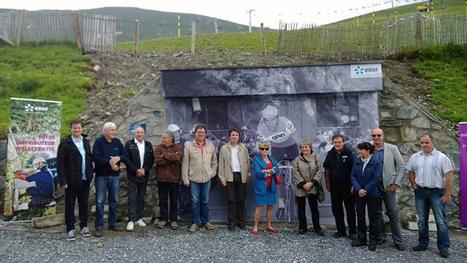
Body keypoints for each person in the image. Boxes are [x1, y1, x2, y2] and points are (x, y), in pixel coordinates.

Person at [407, 134, 454, 258]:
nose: (423, 145)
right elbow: (411, 171)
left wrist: (447, 194)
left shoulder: (442, 158)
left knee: (440, 221)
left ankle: (444, 247)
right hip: (420, 192)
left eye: (426, 142)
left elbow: (449, 176)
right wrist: (413, 184)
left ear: (433, 142)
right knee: (422, 220)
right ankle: (423, 244)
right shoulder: (415, 157)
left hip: (437, 193)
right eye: (421, 143)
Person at [56, 119, 93, 241]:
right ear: (70, 129)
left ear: (82, 129)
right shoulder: (65, 143)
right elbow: (60, 164)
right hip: (71, 180)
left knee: (84, 204)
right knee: (70, 205)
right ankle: (70, 228)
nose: (77, 130)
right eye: (74, 128)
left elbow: (88, 159)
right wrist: (63, 181)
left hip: (85, 179)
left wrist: (90, 174)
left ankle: (84, 226)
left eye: (79, 128)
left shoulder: (86, 142)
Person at [371, 128, 406, 250]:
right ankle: (381, 237)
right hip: (373, 187)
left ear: (383, 136)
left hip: (388, 186)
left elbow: (401, 166)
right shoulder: (369, 149)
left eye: (378, 135)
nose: (376, 137)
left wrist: (396, 183)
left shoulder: (392, 148)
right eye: (374, 135)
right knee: (377, 213)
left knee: (392, 212)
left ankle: (398, 241)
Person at [92, 122, 128, 237]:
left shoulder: (117, 142)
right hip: (101, 176)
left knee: (114, 200)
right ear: (106, 131)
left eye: (115, 130)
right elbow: (96, 158)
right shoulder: (99, 142)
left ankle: (112, 224)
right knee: (100, 201)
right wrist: (110, 162)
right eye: (112, 130)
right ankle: (99, 226)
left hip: (114, 176)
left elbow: (125, 155)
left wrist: (118, 158)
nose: (114, 132)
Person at [181, 124, 218, 233]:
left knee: (205, 200)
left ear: (205, 134)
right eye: (198, 132)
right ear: (195, 133)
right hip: (194, 178)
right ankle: (195, 222)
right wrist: (186, 179)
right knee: (195, 201)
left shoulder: (210, 145)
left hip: (207, 178)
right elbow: (185, 163)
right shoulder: (189, 146)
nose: (201, 134)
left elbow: (214, 161)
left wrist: (212, 172)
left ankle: (206, 221)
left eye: (202, 132)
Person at [351, 142, 384, 251]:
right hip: (359, 193)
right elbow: (352, 176)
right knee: (360, 216)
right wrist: (359, 189)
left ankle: (373, 240)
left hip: (373, 194)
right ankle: (362, 239)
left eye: (361, 149)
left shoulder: (376, 162)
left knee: (373, 218)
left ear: (368, 150)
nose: (359, 151)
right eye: (359, 149)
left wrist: (365, 189)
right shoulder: (357, 161)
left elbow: (376, 178)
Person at [323, 134, 356, 240]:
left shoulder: (350, 152)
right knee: (336, 209)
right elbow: (326, 169)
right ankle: (341, 231)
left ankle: (352, 232)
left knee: (350, 209)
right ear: (333, 143)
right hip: (335, 187)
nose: (337, 144)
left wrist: (354, 185)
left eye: (339, 142)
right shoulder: (330, 154)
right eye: (335, 142)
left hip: (348, 187)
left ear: (343, 142)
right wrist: (327, 183)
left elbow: (355, 170)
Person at [218, 128, 250, 231]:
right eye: (232, 135)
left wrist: (247, 175)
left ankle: (241, 221)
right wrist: (222, 178)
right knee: (231, 200)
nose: (234, 136)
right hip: (229, 176)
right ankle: (232, 222)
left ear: (238, 137)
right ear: (229, 136)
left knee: (241, 200)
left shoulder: (243, 148)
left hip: (241, 176)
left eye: (236, 135)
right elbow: (221, 164)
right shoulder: (224, 148)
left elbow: (247, 162)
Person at [124, 127, 154, 231]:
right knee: (132, 198)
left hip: (144, 175)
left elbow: (151, 160)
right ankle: (131, 220)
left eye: (141, 132)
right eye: (138, 132)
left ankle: (139, 218)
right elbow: (126, 159)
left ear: (144, 133)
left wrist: (144, 170)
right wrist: (136, 170)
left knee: (141, 197)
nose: (139, 134)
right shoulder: (129, 144)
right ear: (134, 133)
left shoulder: (148, 145)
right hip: (133, 175)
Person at [292, 139, 324, 236]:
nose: (304, 149)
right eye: (302, 147)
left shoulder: (316, 158)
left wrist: (311, 183)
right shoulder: (297, 160)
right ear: (300, 149)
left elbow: (320, 170)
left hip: (312, 186)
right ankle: (302, 228)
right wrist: (303, 184)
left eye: (306, 147)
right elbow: (295, 172)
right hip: (301, 187)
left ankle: (317, 228)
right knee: (301, 208)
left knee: (314, 208)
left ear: (310, 148)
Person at [154, 131, 183, 230]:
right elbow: (158, 160)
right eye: (162, 138)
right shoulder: (158, 148)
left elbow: (177, 158)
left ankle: (173, 220)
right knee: (163, 200)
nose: (162, 140)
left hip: (174, 178)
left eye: (164, 138)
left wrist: (165, 155)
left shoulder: (177, 148)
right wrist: (171, 157)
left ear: (170, 139)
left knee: (174, 200)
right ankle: (164, 219)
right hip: (162, 179)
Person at [251, 141, 280, 235]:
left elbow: (277, 169)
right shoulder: (256, 159)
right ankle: (255, 227)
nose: (264, 150)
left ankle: (269, 225)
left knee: (270, 206)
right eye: (262, 148)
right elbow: (258, 173)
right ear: (259, 149)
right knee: (259, 207)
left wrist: (266, 171)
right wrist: (270, 171)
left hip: (271, 187)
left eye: (266, 148)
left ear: (268, 149)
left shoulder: (272, 158)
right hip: (261, 187)